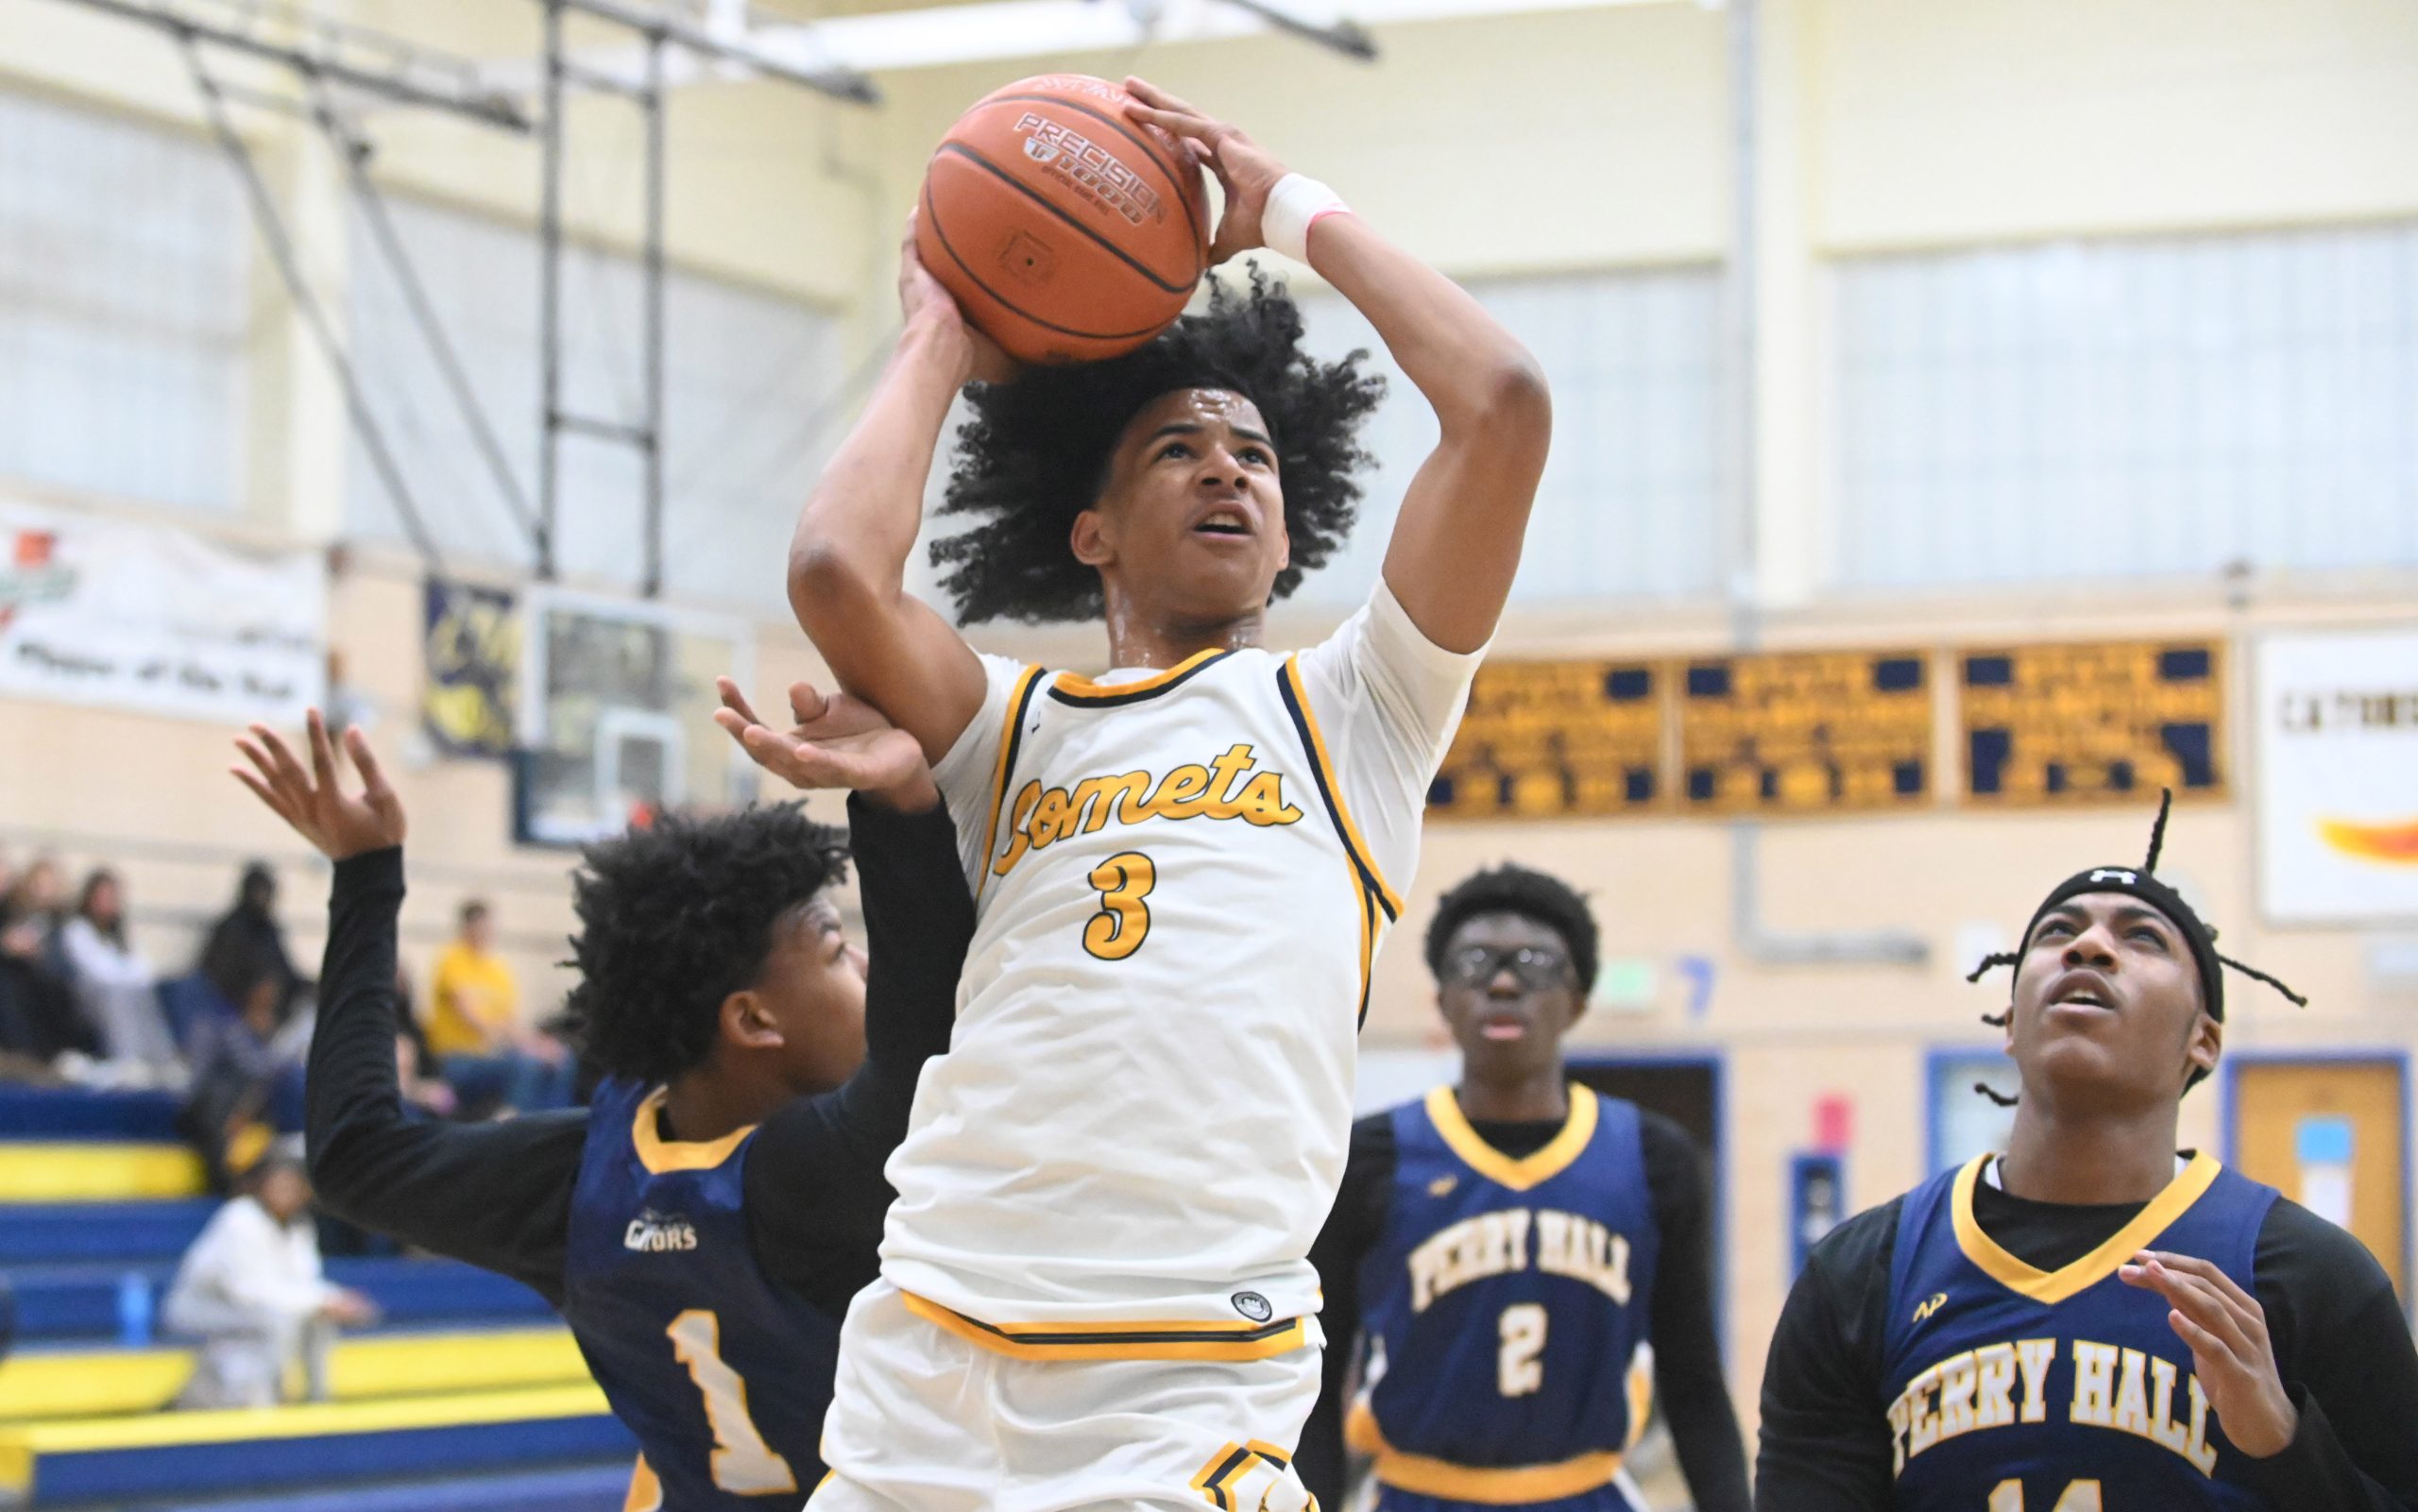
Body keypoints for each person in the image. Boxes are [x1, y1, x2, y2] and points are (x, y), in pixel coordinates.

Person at [748, 73, 1551, 1510]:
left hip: (1187, 1374)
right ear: (1091, 530)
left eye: (1253, 453)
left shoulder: (1355, 707)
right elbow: (833, 576)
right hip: (935, 1332)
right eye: (1178, 448)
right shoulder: (1007, 722)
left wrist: (1287, 209)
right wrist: (942, 325)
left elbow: (1501, 407)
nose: (1227, 469)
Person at [233, 698, 971, 1506]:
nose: (865, 966)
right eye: (835, 948)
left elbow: (353, 1157)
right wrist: (900, 806)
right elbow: (922, 1032)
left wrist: (367, 878)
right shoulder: (823, 1176)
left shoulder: (581, 1183)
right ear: (753, 1019)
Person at [1755, 793, 2418, 1511]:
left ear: (2204, 1039)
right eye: (2058, 931)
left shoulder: (2309, 1276)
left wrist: (2287, 1445)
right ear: (2010, 1022)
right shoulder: (1861, 1277)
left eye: (2143, 938)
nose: (2089, 946)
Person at [1300, 864, 1749, 1512]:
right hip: (1416, 1495)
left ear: (1578, 999)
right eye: (1476, 962)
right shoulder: (1372, 1158)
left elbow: (1695, 1383)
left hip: (1588, 1494)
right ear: (1443, 998)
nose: (1504, 983)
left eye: (1535, 963)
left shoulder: (1655, 1159)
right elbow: (1317, 1380)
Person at [159, 1147, 379, 1408]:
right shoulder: (239, 1218)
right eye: (279, 1184)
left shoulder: (300, 1227)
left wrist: (335, 1300)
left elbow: (305, 1282)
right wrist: (320, 1301)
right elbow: (247, 1290)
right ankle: (266, 1401)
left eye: (294, 1186)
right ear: (263, 1184)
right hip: (201, 1308)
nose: (286, 1192)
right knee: (277, 1319)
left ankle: (320, 1400)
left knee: (316, 1318)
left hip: (249, 1308)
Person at [424, 898, 574, 1114]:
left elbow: (510, 1022)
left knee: (560, 1060)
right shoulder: (452, 960)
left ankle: (553, 1122)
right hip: (457, 1058)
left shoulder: (498, 970)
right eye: (479, 926)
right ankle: (514, 1123)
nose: (485, 932)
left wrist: (537, 1045)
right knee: (525, 1065)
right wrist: (523, 1046)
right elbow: (470, 1016)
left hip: (492, 1057)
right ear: (466, 927)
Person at [57, 868, 181, 1087]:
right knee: (117, 993)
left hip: (123, 992)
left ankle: (161, 1059)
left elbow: (144, 971)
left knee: (143, 994)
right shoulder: (77, 930)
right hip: (87, 997)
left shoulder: (120, 936)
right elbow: (97, 971)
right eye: (102, 897)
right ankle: (128, 1057)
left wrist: (127, 978)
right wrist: (125, 978)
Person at [197, 861, 302, 1018]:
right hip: (233, 1012)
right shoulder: (232, 928)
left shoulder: (269, 930)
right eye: (259, 893)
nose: (263, 900)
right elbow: (220, 974)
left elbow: (286, 970)